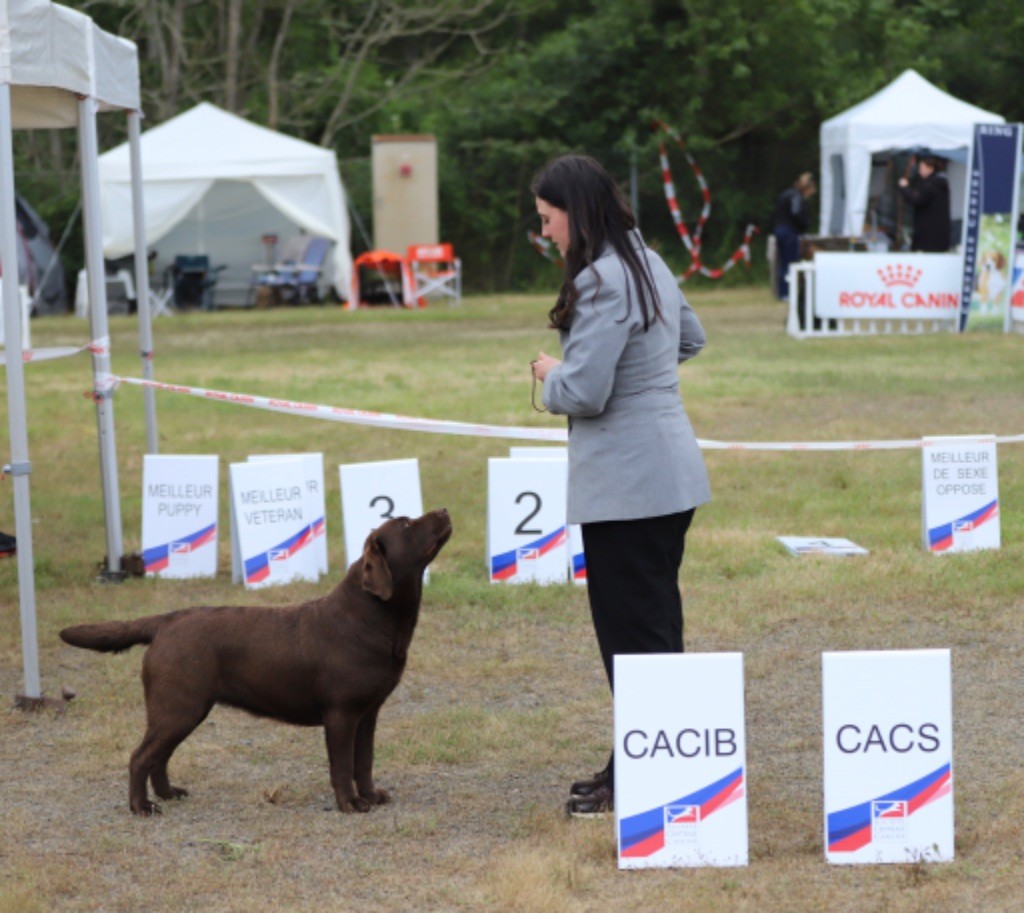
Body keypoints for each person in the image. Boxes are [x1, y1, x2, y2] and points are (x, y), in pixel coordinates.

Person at [530, 154, 710, 817]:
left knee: (631, 637)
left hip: (630, 486)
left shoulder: (605, 279)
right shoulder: (649, 261)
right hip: (671, 475)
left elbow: (584, 389)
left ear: (574, 213)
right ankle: (641, 757)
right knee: (654, 627)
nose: (546, 233)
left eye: (548, 220)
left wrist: (549, 372)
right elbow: (690, 337)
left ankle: (645, 773)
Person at [772, 172, 815, 300]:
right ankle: (787, 293)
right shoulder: (796, 197)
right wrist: (805, 225)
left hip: (779, 230)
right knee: (790, 263)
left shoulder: (785, 194)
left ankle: (782, 292)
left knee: (783, 262)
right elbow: (796, 213)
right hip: (789, 232)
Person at [898, 155, 951, 252]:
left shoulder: (934, 183)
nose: (919, 171)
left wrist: (904, 188)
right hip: (930, 233)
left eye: (921, 168)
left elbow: (917, 199)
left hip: (930, 235)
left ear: (930, 168)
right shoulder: (935, 181)